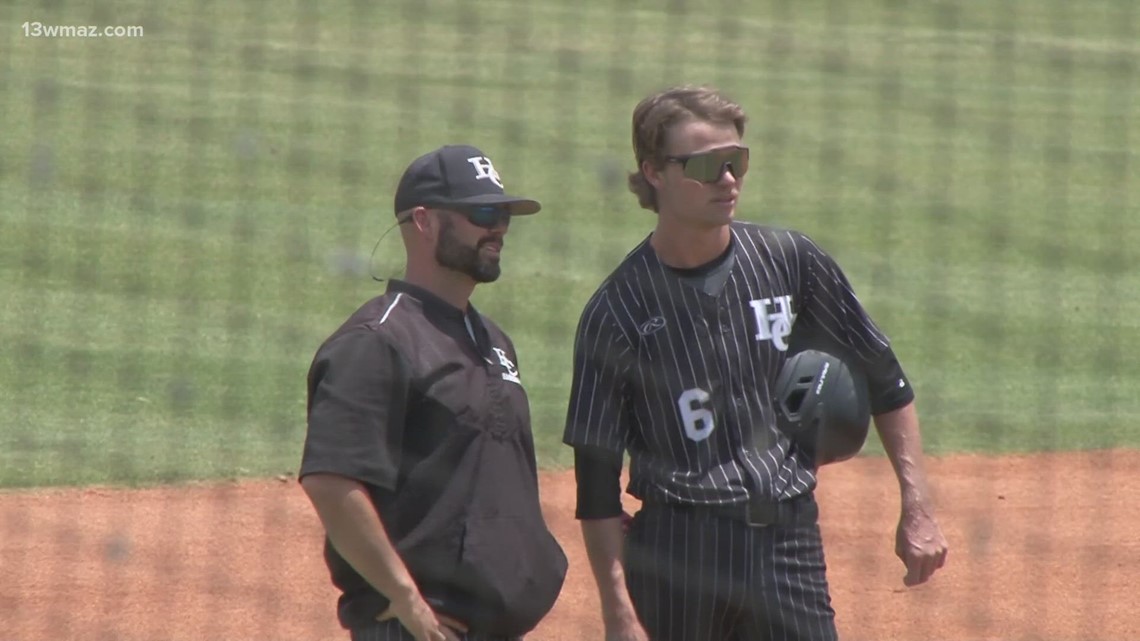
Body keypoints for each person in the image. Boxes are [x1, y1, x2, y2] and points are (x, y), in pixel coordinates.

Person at [562, 86, 949, 641]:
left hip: (786, 543)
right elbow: (596, 483)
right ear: (654, 172)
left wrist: (918, 508)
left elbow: (885, 380)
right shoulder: (618, 310)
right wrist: (618, 612)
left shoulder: (789, 260)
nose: (728, 179)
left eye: (736, 161)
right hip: (676, 553)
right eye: (705, 164)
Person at [300, 145, 568, 641]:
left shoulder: (491, 337)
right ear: (423, 221)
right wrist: (405, 598)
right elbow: (332, 482)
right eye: (482, 213)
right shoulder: (375, 342)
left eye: (504, 215)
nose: (499, 230)